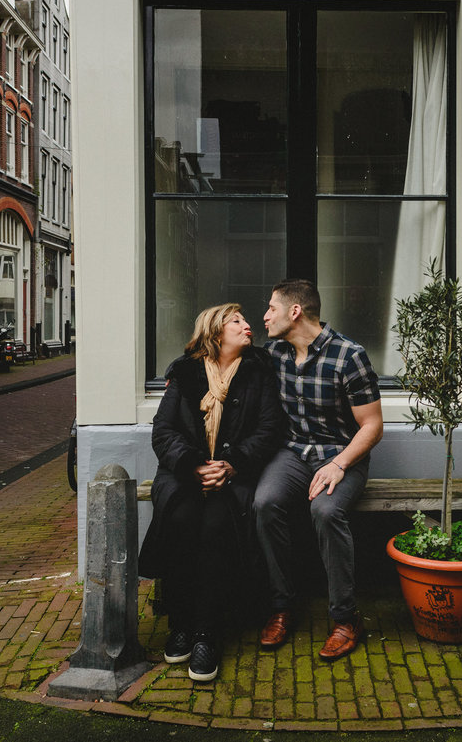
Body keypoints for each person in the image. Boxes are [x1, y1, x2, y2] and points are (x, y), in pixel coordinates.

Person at [138, 303, 285, 682]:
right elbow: (163, 431)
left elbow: (270, 430)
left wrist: (232, 464)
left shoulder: (259, 371)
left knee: (217, 527)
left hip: (233, 477)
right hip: (186, 475)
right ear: (216, 331)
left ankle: (206, 632)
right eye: (237, 321)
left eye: (247, 320)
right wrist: (193, 465)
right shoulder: (185, 372)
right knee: (183, 520)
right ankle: (181, 624)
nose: (248, 325)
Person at [253, 279, 384, 661]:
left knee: (325, 511)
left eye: (271, 309)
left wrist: (339, 464)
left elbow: (373, 427)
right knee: (264, 504)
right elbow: (224, 358)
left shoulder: (349, 356)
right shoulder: (273, 353)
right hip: (293, 453)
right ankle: (282, 606)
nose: (264, 316)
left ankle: (345, 619)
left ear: (295, 312)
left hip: (344, 456)